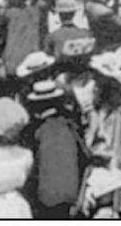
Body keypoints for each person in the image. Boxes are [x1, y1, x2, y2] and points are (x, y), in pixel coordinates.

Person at [25, 80, 85, 218]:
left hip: (45, 198)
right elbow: (84, 157)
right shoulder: (70, 126)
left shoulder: (37, 131)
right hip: (71, 196)